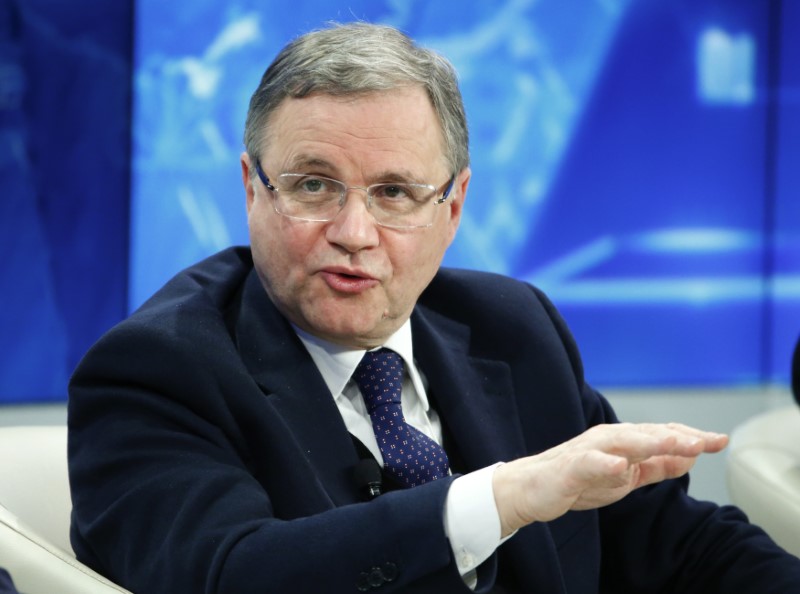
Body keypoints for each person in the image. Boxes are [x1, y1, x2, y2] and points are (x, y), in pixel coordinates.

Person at [67, 22, 800, 594]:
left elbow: (677, 547)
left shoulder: (512, 329)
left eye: (393, 193)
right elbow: (230, 576)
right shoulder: (157, 371)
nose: (354, 235)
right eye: (313, 185)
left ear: (453, 207)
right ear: (253, 190)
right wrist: (502, 498)